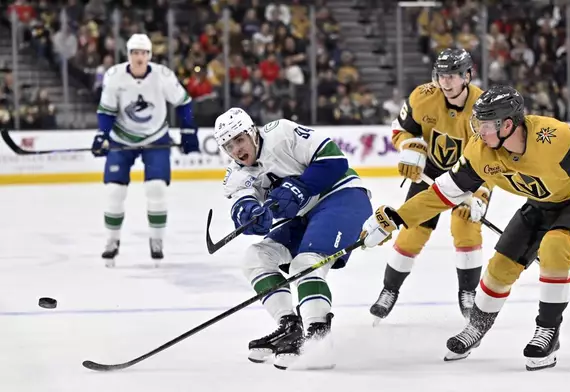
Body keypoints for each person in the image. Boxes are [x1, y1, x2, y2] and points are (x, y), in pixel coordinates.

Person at [360, 85, 570, 371]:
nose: (478, 131)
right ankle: (477, 327)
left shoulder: (551, 137)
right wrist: (396, 217)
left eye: (485, 124)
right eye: (476, 123)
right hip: (540, 205)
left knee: (555, 248)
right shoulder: (481, 150)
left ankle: (548, 332)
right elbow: (443, 193)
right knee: (499, 268)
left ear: (508, 124)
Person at [214, 108, 372, 370]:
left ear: (252, 132)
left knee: (305, 263)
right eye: (228, 146)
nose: (236, 150)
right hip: (305, 216)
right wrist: (251, 216)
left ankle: (318, 336)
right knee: (255, 258)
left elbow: (334, 161)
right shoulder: (235, 175)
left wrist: (300, 186)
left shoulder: (282, 133)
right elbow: (241, 207)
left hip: (343, 197)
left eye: (239, 139)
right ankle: (290, 326)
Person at [370, 48, 490, 323]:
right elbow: (401, 128)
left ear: (467, 76)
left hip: (471, 175)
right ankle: (389, 290)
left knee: (465, 227)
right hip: (432, 172)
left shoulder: (484, 107)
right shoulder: (422, 97)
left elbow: (494, 155)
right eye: (442, 75)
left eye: (452, 76)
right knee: (412, 231)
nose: (445, 82)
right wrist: (411, 147)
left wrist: (482, 192)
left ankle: (468, 293)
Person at [92, 33, 200, 267]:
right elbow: (106, 111)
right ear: (128, 55)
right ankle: (112, 241)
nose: (139, 57)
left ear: (149, 55)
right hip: (122, 139)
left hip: (155, 137)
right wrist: (102, 135)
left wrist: (188, 131)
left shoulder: (162, 76)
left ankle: (156, 241)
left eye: (143, 53)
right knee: (114, 192)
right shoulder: (115, 76)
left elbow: (184, 102)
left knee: (156, 189)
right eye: (134, 53)